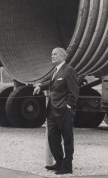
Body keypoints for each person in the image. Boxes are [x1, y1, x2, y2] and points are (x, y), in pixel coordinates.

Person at [33, 47, 79, 175]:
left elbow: (74, 92)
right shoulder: (56, 71)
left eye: (54, 54)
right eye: (51, 54)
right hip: (52, 111)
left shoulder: (69, 71)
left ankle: (67, 166)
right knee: (53, 137)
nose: (52, 56)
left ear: (62, 56)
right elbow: (52, 84)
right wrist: (40, 87)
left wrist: (68, 107)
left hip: (63, 111)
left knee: (67, 138)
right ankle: (59, 162)